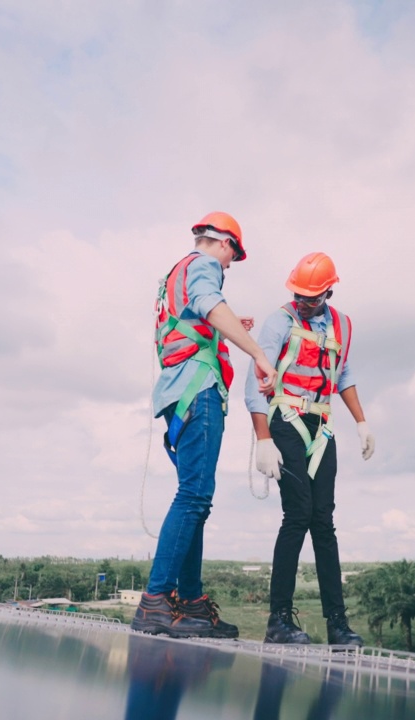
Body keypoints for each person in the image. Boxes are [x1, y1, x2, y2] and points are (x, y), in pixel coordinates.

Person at [132, 211, 276, 639]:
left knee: (195, 499)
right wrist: (258, 354)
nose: (229, 266)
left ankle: (192, 604)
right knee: (194, 497)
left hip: (177, 396)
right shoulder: (204, 264)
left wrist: (229, 325)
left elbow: (199, 317)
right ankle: (155, 600)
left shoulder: (173, 275)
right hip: (198, 389)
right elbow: (211, 305)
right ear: (225, 244)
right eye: (233, 256)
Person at [246, 252, 375, 646]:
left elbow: (344, 372)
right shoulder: (279, 322)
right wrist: (263, 438)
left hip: (322, 425)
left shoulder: (342, 326)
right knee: (297, 514)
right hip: (285, 421)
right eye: (299, 296)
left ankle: (337, 623)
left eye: (312, 298)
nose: (303, 303)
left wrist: (361, 421)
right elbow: (257, 376)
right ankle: (278, 620)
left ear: (329, 292)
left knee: (323, 521)